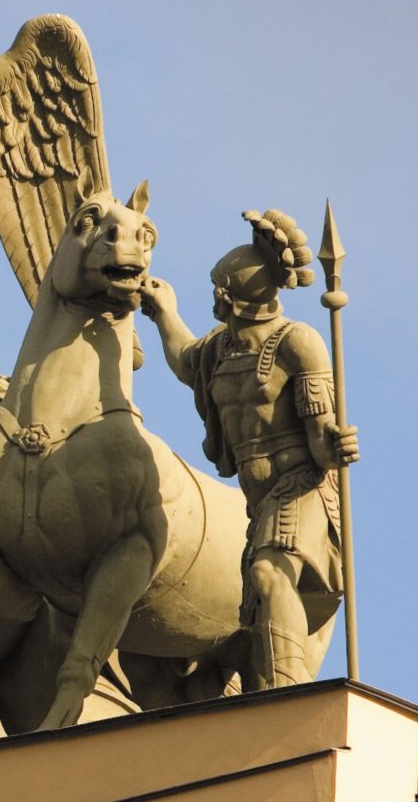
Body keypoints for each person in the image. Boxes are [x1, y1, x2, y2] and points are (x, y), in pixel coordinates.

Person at [139, 210, 360, 689]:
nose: (215, 298)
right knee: (256, 611)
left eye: (220, 289)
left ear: (233, 297)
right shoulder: (223, 347)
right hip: (259, 501)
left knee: (267, 575)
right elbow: (184, 360)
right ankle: (274, 689)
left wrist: (338, 444)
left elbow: (321, 444)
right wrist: (164, 310)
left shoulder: (298, 343)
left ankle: (289, 693)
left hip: (301, 488)